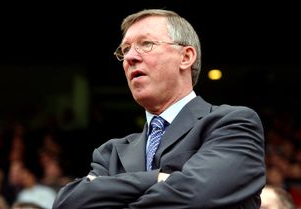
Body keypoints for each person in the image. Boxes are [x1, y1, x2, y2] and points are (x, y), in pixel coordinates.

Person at [52, 8, 265, 209]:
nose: (130, 57)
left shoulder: (233, 124)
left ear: (186, 57)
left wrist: (110, 191)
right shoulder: (111, 152)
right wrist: (158, 178)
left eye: (146, 44)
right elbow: (67, 202)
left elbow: (195, 196)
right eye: (125, 50)